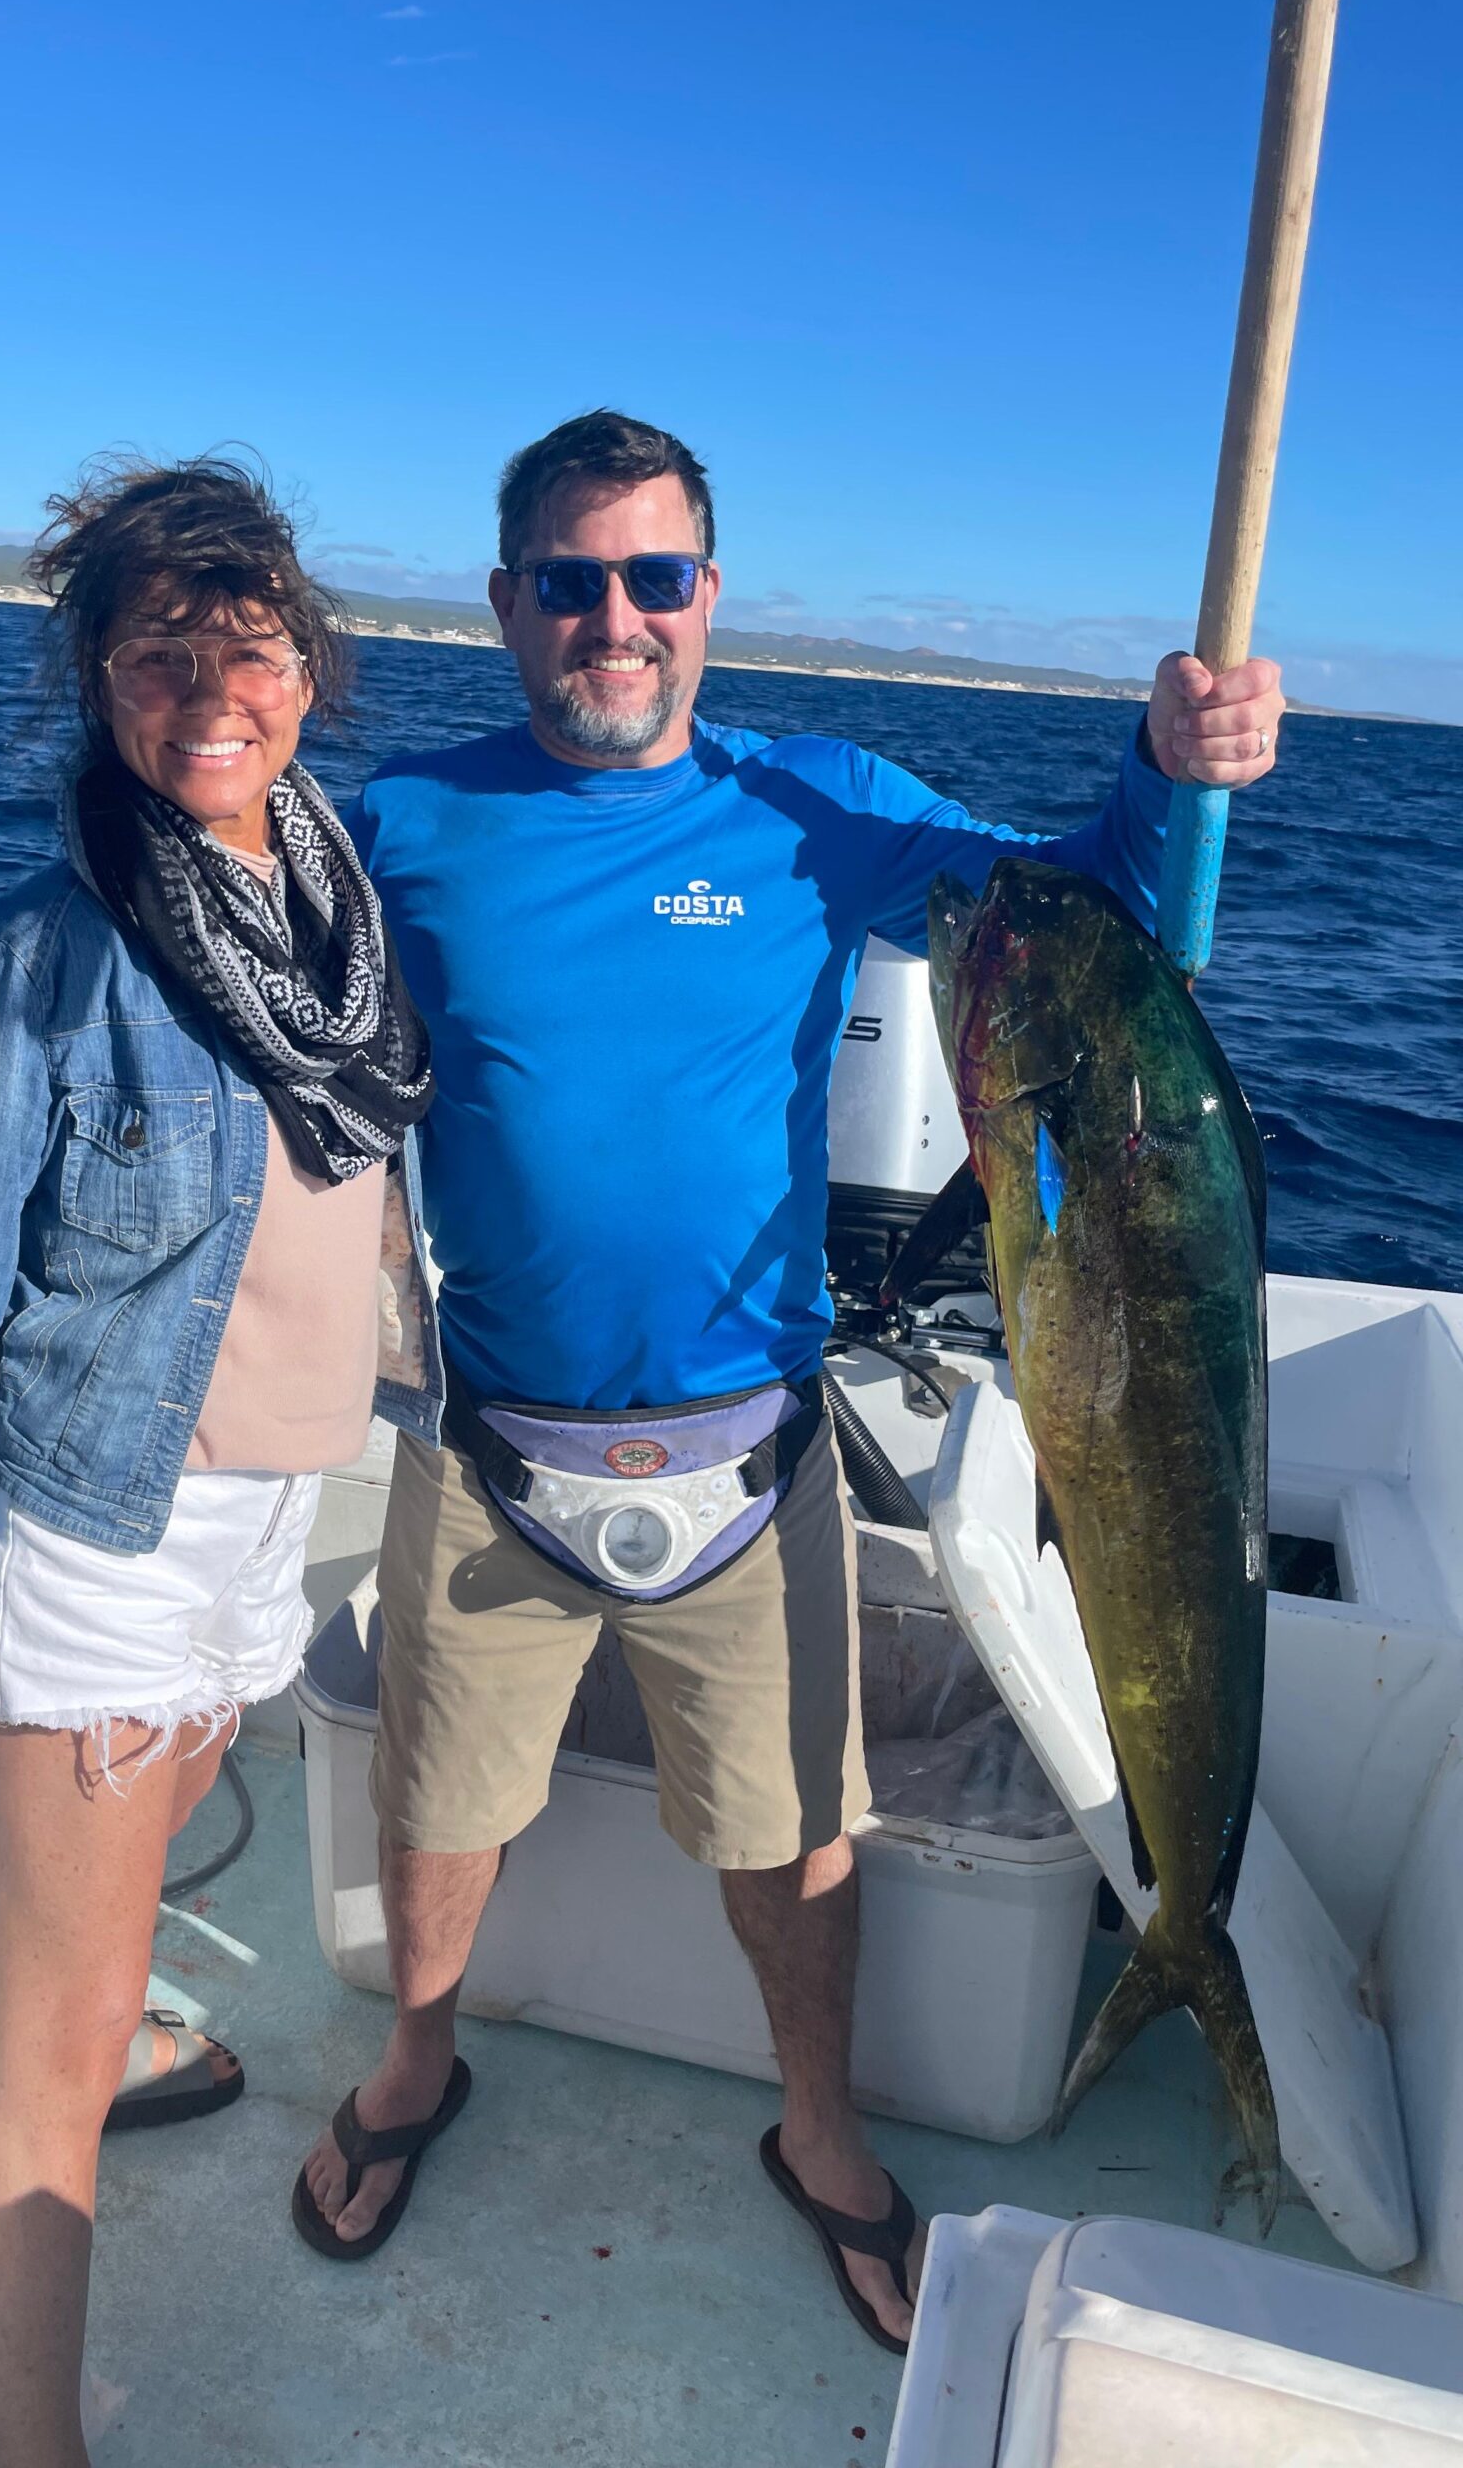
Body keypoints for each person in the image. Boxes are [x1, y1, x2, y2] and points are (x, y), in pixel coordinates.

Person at [295, 408, 1284, 2353]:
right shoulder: (396, 822)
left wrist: (1172, 768)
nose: (614, 618)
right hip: (485, 1440)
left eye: (652, 577)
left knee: (796, 1833)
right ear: (505, 604)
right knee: (435, 1803)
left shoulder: (815, 801)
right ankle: (416, 2059)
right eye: (570, 582)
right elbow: (243, 1000)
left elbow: (1105, 925)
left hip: (756, 1445)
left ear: (708, 598)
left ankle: (815, 2131)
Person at [0, 457, 438, 2468]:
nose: (205, 685)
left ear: (309, 662)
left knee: (142, 1856)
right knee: (53, 2059)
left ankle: (99, 1991)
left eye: (242, 640)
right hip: (102, 1529)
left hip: (262, 1510)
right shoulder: (39, 961)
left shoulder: (337, 904)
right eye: (153, 647)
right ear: (93, 676)